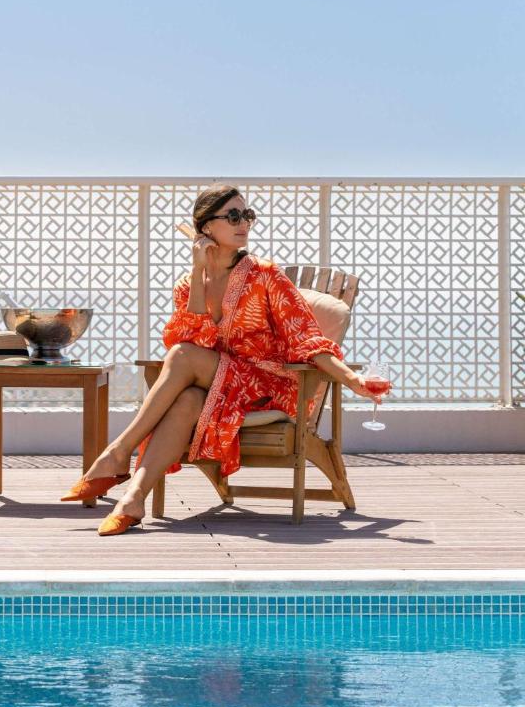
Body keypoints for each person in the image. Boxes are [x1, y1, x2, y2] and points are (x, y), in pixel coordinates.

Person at [59, 184, 381, 536]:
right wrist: (200, 272)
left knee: (182, 356)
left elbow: (305, 337)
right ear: (206, 227)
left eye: (247, 215)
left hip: (267, 385)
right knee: (187, 398)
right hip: (216, 384)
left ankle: (117, 452)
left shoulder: (265, 275)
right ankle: (133, 498)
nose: (244, 224)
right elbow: (195, 339)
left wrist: (351, 379)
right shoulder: (187, 284)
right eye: (233, 216)